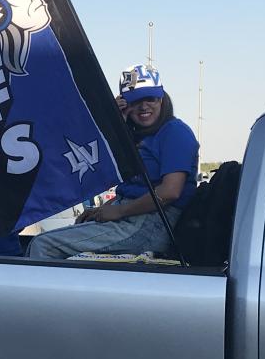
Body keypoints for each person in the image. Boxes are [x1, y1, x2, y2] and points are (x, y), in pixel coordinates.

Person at [27, 64, 199, 260]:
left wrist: (119, 211)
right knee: (69, 233)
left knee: (43, 245)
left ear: (161, 99)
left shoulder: (175, 132)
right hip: (131, 215)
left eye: (150, 99)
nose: (144, 107)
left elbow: (170, 191)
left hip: (153, 222)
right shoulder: (135, 136)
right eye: (135, 102)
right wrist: (116, 121)